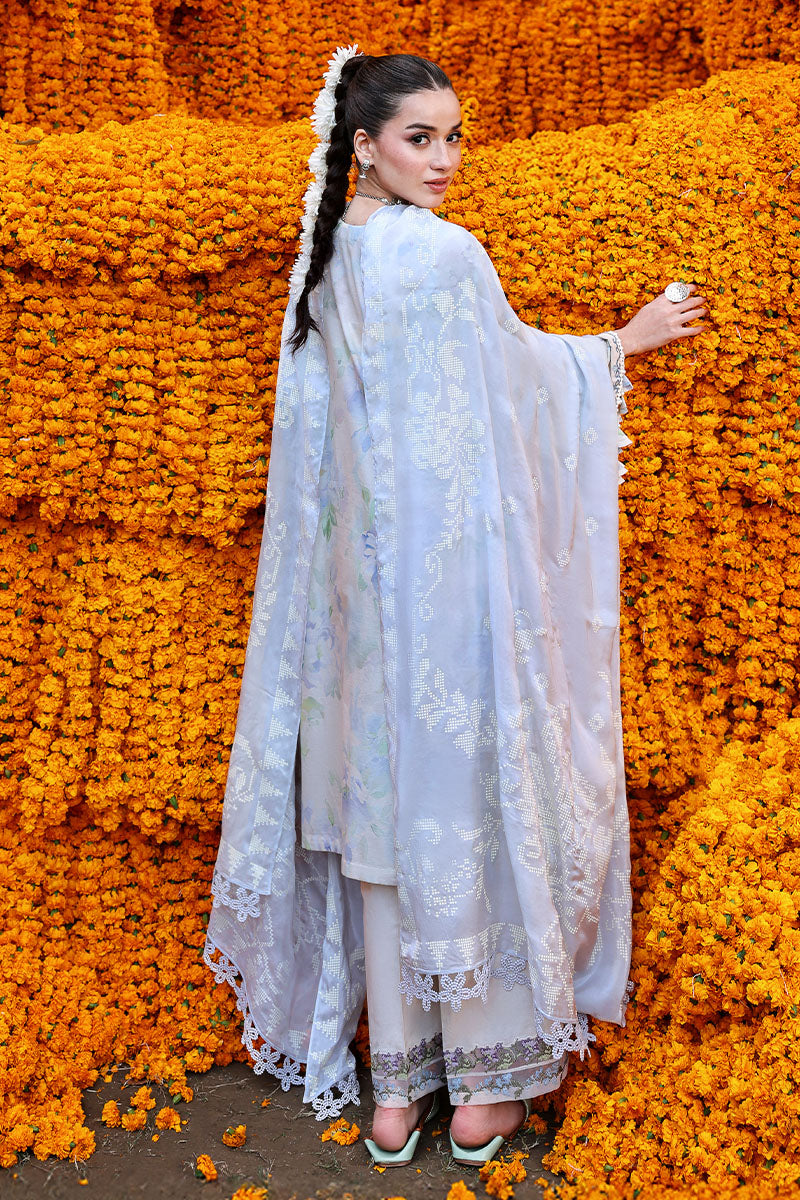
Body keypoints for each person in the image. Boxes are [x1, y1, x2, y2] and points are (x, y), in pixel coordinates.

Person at [203, 47, 708, 1169]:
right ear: (365, 144)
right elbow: (514, 381)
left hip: (356, 613)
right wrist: (621, 345)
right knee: (470, 809)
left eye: (453, 136)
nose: (443, 159)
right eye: (419, 137)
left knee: (385, 826)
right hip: (452, 603)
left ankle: (395, 1097)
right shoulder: (443, 254)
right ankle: (483, 1095)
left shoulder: (325, 262)